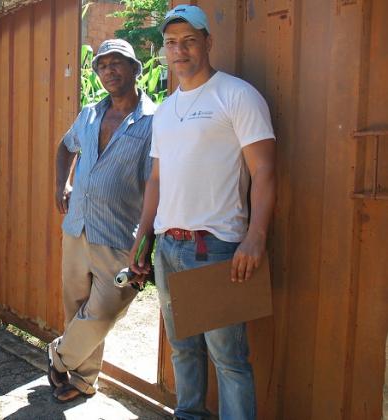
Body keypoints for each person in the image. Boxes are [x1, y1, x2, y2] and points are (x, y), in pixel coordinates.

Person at [129, 5, 276, 420]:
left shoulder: (236, 95)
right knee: (183, 349)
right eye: (171, 43)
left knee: (229, 360)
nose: (179, 51)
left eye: (189, 41)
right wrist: (143, 239)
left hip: (214, 248)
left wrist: (256, 237)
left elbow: (264, 169)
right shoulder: (166, 109)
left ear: (208, 42)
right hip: (169, 249)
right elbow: (156, 181)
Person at [49, 38, 156, 403]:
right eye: (102, 65)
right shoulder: (90, 114)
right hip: (77, 228)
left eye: (117, 63)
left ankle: (59, 356)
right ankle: (82, 380)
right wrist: (62, 183)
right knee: (76, 307)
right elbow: (66, 147)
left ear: (134, 69)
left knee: (107, 305)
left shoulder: (153, 121)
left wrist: (145, 243)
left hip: (117, 234)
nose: (109, 70)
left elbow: (156, 185)